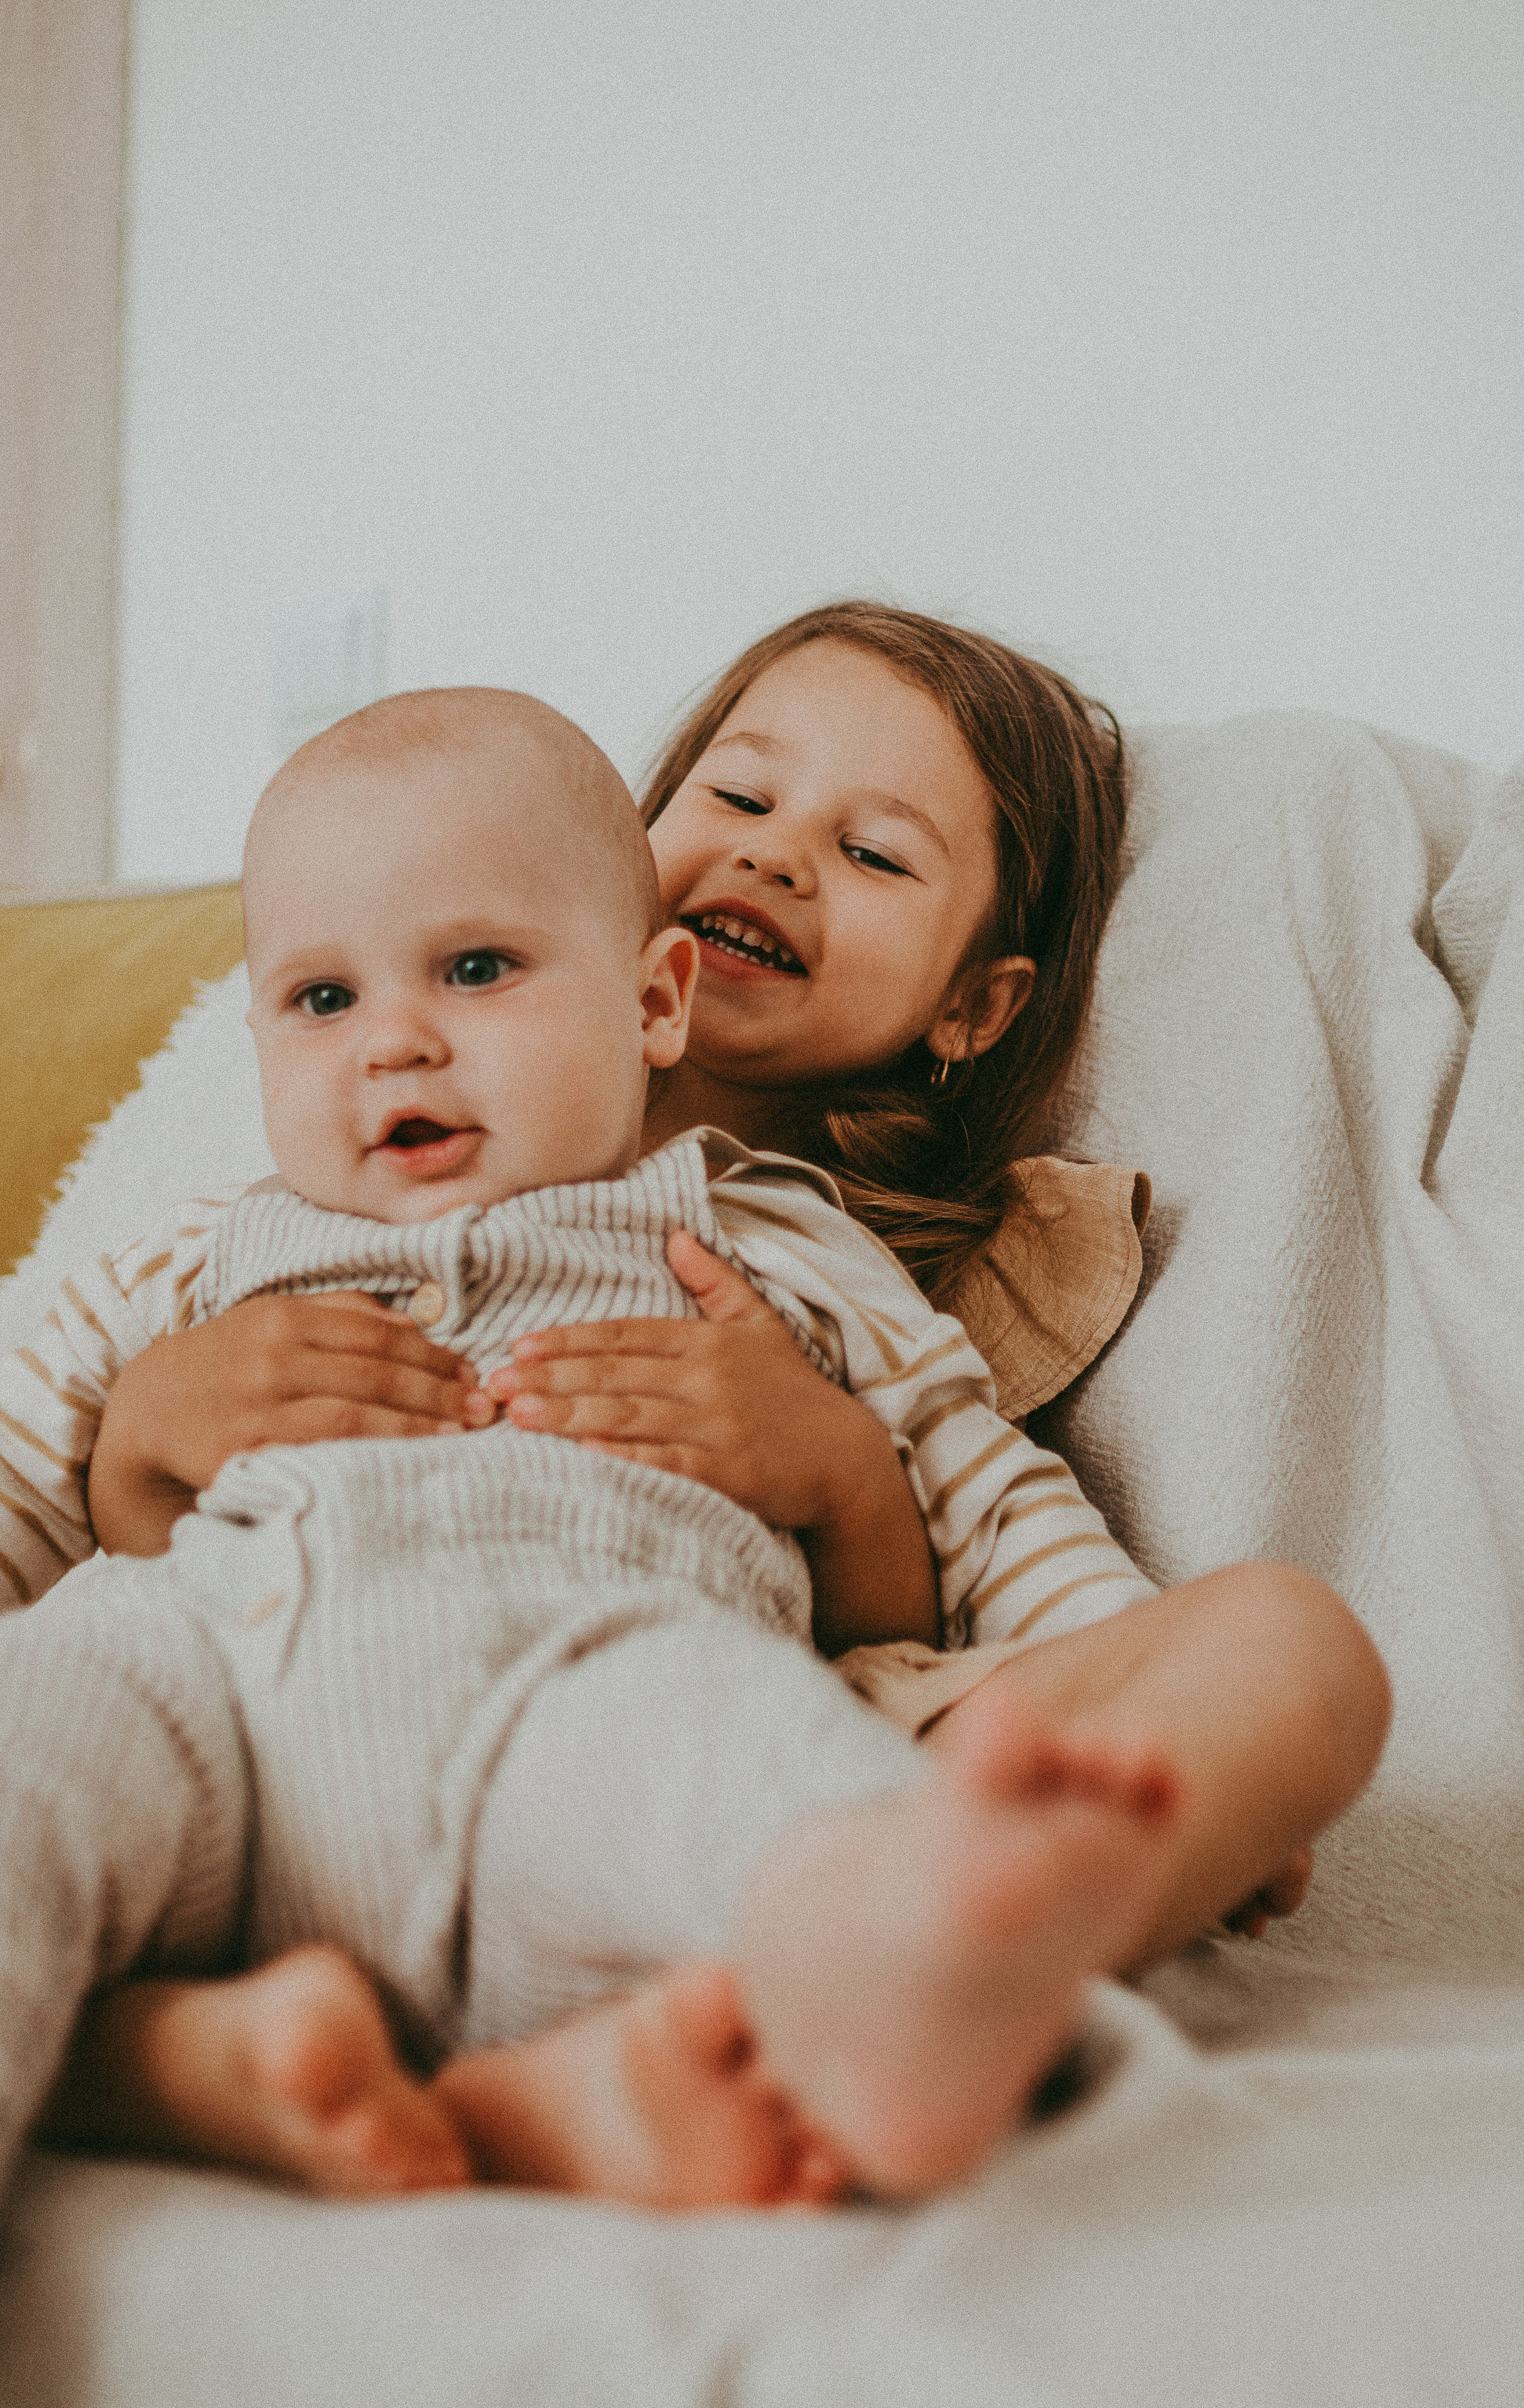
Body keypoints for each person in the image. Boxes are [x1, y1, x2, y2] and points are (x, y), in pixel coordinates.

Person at [19, 625, 1387, 2205]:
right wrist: (139, 1437)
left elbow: (1013, 1564)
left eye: (870, 852)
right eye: (737, 793)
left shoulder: (805, 1256)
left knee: (1292, 1648)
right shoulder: (207, 1243)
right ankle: (223, 2065)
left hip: (606, 1699)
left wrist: (848, 1480)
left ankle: (863, 1992)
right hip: (205, 1682)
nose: (777, 855)